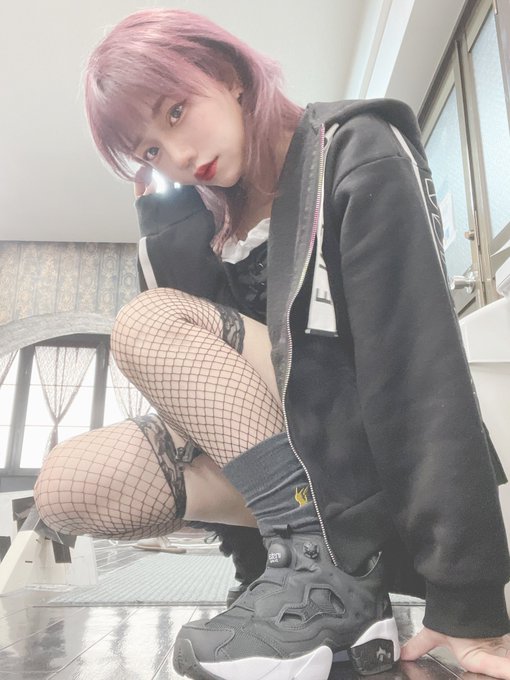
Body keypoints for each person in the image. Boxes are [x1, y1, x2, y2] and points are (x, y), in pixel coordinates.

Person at [33, 8, 510, 680]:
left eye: (176, 112)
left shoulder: (354, 149)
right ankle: (304, 576)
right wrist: (166, 231)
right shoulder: (203, 228)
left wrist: (469, 600)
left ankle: (333, 576)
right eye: (150, 152)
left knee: (146, 323)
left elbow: (418, 370)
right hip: (301, 481)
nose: (177, 157)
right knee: (66, 485)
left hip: (369, 457)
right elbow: (214, 419)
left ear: (228, 73)